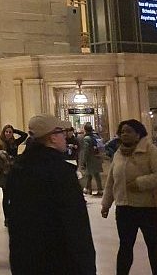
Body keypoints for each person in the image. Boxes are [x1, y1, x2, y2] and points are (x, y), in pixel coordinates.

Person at [6, 114, 96, 275]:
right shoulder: (61, 173)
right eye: (62, 132)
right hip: (60, 260)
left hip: (26, 259)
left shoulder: (18, 169)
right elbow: (75, 225)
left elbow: (15, 218)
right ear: (52, 138)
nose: (65, 137)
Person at [101, 119, 157, 275]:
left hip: (147, 207)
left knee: (152, 243)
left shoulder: (151, 151)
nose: (124, 134)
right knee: (125, 245)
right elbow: (111, 180)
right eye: (122, 131)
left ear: (138, 134)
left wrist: (139, 183)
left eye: (129, 131)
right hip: (124, 207)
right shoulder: (119, 153)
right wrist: (106, 204)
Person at [0, 124, 27, 224]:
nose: (8, 134)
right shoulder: (0, 144)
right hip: (4, 172)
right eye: (6, 132)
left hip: (14, 170)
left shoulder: (14, 143)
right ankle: (7, 218)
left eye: (10, 132)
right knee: (6, 195)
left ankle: (13, 215)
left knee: (14, 195)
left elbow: (24, 135)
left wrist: (15, 130)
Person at [79, 123, 104, 196]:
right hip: (97, 157)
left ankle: (96, 189)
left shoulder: (87, 138)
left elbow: (86, 151)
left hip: (91, 159)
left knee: (92, 174)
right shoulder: (96, 136)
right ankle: (89, 189)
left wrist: (83, 161)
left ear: (85, 130)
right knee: (92, 174)